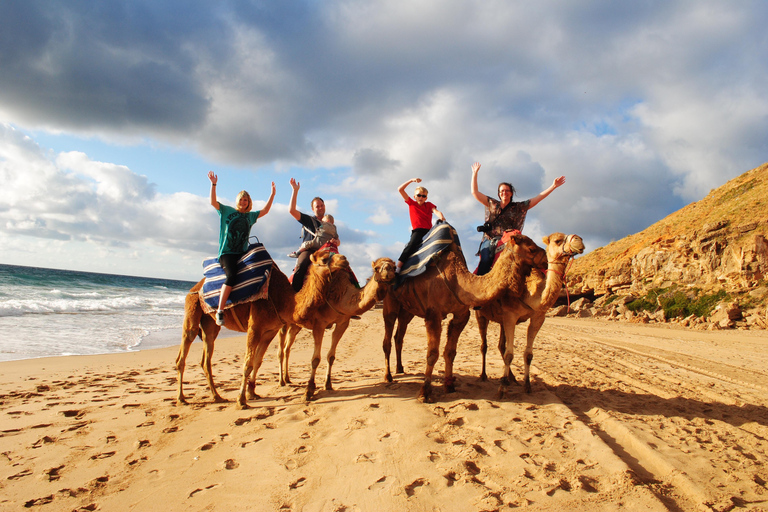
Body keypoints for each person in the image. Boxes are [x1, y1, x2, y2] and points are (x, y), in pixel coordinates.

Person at [470, 161, 565, 275]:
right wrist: (474, 173)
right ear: (499, 194)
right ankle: (480, 283)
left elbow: (538, 198)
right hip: (490, 239)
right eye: (502, 191)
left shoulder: (519, 207)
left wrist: (553, 186)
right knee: (485, 260)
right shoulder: (492, 203)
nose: (504, 193)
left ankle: (551, 278)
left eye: (507, 190)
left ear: (511, 193)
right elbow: (474, 192)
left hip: (511, 239)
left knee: (534, 253)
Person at [209, 171, 275, 325]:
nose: (243, 202)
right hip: (227, 253)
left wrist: (272, 194)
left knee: (261, 266)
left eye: (246, 200)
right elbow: (213, 202)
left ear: (248, 202)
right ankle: (220, 310)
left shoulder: (250, 216)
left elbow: (265, 211)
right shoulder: (227, 211)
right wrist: (213, 185)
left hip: (242, 253)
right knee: (231, 276)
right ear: (237, 201)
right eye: (241, 199)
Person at [396, 177, 445, 273]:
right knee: (411, 245)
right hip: (418, 231)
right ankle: (398, 268)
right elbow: (400, 189)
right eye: (419, 195)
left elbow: (436, 211)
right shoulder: (411, 203)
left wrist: (441, 217)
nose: (421, 197)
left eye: (424, 196)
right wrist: (411, 180)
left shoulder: (429, 205)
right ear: (415, 196)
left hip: (429, 231)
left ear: (426, 198)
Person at [288, 178, 327, 292]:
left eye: (321, 205)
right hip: (309, 251)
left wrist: (336, 242)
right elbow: (291, 210)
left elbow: (337, 239)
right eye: (317, 206)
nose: (320, 208)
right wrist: (295, 191)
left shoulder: (329, 223)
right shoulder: (309, 220)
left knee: (343, 266)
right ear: (313, 209)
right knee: (302, 263)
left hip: (326, 252)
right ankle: (295, 294)